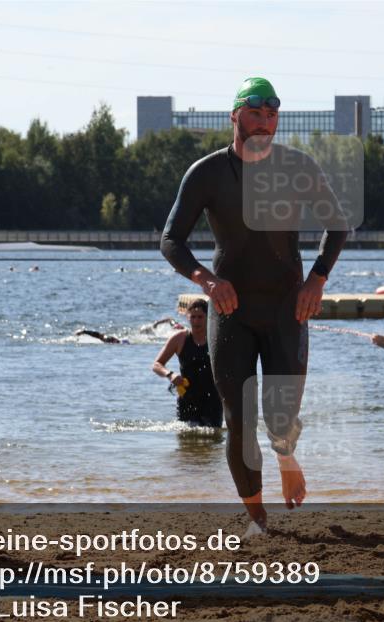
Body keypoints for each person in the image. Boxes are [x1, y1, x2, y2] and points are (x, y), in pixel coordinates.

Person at [160, 76, 347, 532]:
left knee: (280, 418)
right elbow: (171, 241)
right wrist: (206, 280)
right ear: (235, 116)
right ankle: (259, 519)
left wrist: (316, 280)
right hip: (232, 311)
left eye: (272, 115)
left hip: (288, 309)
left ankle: (285, 455)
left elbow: (337, 225)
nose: (265, 123)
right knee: (238, 421)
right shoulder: (206, 173)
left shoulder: (297, 167)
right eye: (256, 114)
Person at [152, 299, 223, 428]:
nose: (196, 321)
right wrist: (170, 375)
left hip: (213, 400)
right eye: (193, 317)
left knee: (213, 440)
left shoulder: (216, 338)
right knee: (186, 443)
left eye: (200, 317)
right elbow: (157, 364)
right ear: (187, 317)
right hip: (187, 399)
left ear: (208, 318)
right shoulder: (179, 339)